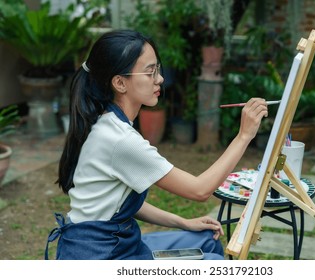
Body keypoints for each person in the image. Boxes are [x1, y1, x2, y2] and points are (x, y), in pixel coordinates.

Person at [45, 29, 269, 260]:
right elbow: (200, 190)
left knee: (205, 240)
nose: (159, 79)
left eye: (157, 69)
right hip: (101, 255)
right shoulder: (120, 139)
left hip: (114, 242)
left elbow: (117, 204)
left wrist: (182, 222)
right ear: (120, 83)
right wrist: (244, 136)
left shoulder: (106, 122)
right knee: (213, 261)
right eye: (150, 72)